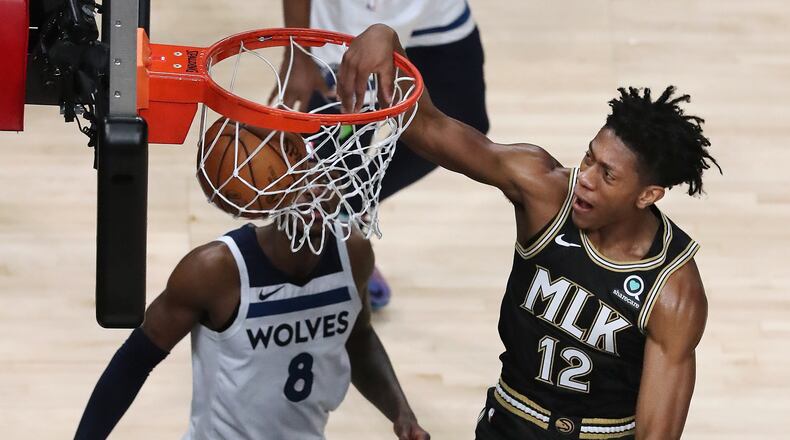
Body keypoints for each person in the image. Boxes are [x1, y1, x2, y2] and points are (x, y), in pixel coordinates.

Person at [338, 24, 722, 440]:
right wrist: (387, 41)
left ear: (648, 195)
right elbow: (430, 129)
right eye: (588, 158)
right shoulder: (545, 192)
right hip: (508, 423)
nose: (585, 178)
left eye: (607, 175)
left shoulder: (673, 292)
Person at [74, 215, 430, 439]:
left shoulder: (353, 254)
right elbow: (134, 361)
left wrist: (401, 413)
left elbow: (358, 338)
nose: (317, 189)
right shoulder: (215, 270)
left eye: (328, 178)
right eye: (305, 177)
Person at [274, 0, 490, 309]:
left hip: (433, 13)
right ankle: (312, 259)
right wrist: (298, 53)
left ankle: (349, 213)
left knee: (465, 122)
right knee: (344, 129)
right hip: (353, 14)